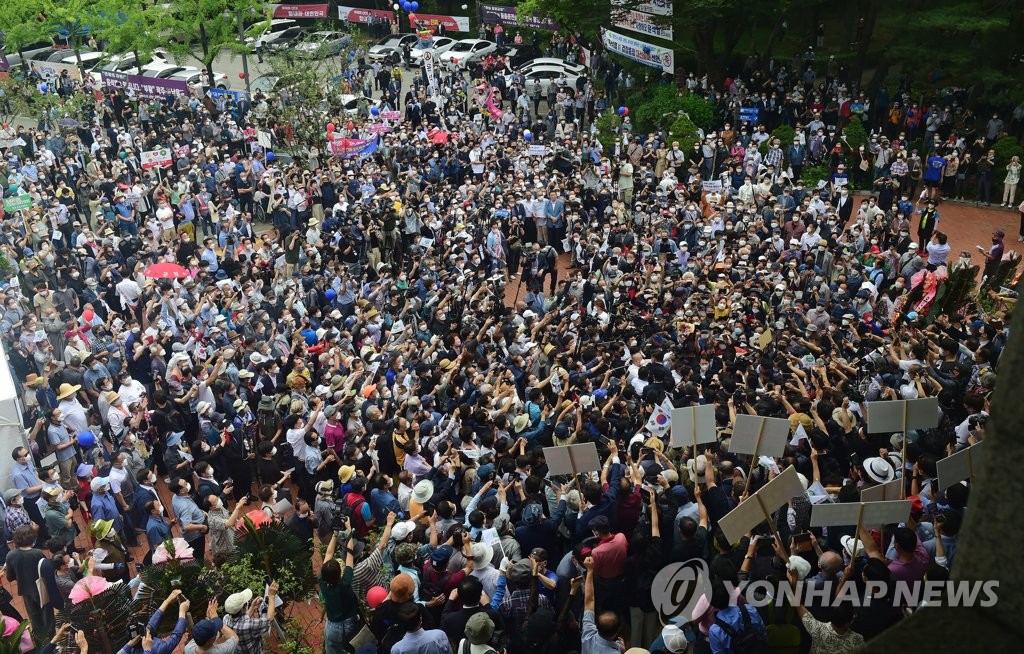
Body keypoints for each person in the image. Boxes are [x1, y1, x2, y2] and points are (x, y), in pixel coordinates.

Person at [5, 525, 52, 641]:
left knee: (34, 617)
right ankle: (52, 641)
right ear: (32, 538)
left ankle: (40, 642)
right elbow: (47, 570)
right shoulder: (37, 553)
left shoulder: (10, 555)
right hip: (41, 589)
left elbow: (10, 578)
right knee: (47, 617)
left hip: (25, 591)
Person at [319, 531, 361, 654]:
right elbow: (349, 555)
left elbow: (329, 553)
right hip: (350, 625)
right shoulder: (345, 583)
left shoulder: (322, 582)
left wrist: (334, 534)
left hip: (332, 626)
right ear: (339, 574)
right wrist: (349, 532)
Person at [223, 583, 277, 654]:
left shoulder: (226, 619)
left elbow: (241, 620)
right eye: (245, 603)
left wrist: (252, 607)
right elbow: (269, 619)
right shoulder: (249, 625)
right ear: (242, 609)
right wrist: (271, 596)